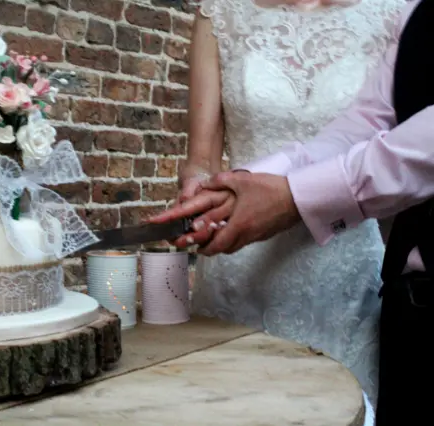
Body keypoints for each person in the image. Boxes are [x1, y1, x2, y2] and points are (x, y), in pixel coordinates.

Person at [151, 0, 430, 423]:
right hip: (248, 256)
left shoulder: (388, 10)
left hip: (344, 267)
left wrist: (292, 197)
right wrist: (235, 190)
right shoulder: (416, 15)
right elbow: (364, 125)